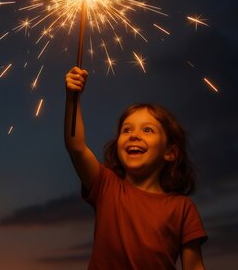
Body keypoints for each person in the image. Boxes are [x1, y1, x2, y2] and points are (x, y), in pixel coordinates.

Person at [64, 66, 207, 270]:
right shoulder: (107, 186)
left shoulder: (183, 208)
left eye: (147, 130)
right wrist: (72, 98)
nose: (134, 135)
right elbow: (76, 147)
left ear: (170, 152)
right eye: (126, 129)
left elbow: (194, 267)